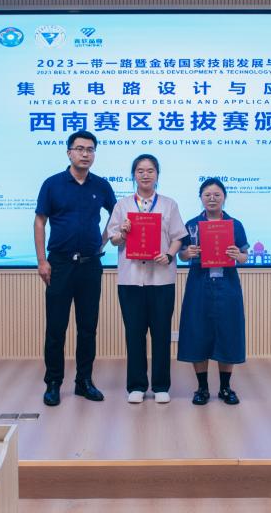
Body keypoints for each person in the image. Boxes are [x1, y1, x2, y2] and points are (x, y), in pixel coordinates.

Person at [35, 130, 117, 406]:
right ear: (69, 152)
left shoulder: (101, 186)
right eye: (80, 149)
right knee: (56, 328)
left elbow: (116, 216)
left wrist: (102, 241)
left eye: (90, 149)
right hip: (59, 264)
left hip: (90, 265)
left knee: (88, 327)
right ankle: (53, 383)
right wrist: (42, 261)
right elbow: (39, 221)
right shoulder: (52, 184)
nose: (85, 154)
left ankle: (84, 381)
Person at [106, 154, 186, 404]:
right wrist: (122, 232)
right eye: (140, 171)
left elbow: (178, 237)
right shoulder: (122, 205)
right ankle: (137, 385)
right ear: (134, 175)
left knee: (161, 333)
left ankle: (161, 385)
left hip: (161, 279)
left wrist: (169, 255)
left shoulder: (169, 205)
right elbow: (113, 239)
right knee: (134, 333)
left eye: (150, 170)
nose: (145, 175)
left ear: (157, 175)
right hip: (130, 280)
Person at [177, 178, 249, 406]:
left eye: (217, 194)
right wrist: (187, 253)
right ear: (200, 198)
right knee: (198, 331)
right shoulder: (191, 224)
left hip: (228, 284)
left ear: (224, 197)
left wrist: (238, 255)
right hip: (199, 283)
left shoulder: (235, 225)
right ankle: (202, 388)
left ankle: (225, 388)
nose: (212, 198)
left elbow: (245, 256)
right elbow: (181, 255)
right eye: (207, 194)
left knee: (228, 331)